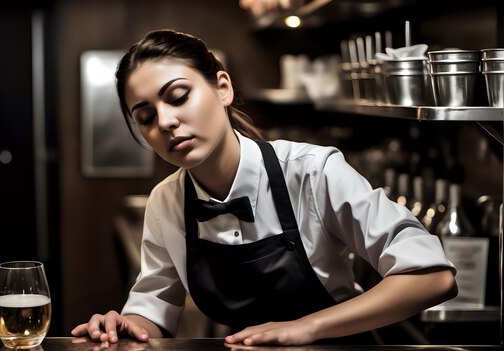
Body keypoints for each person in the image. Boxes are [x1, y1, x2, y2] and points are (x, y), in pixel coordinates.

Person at [71, 29, 457, 346]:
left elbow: (432, 276)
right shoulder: (166, 202)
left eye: (178, 97)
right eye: (146, 117)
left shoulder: (312, 171)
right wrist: (123, 327)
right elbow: (153, 311)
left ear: (223, 88)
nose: (166, 122)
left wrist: (306, 327)